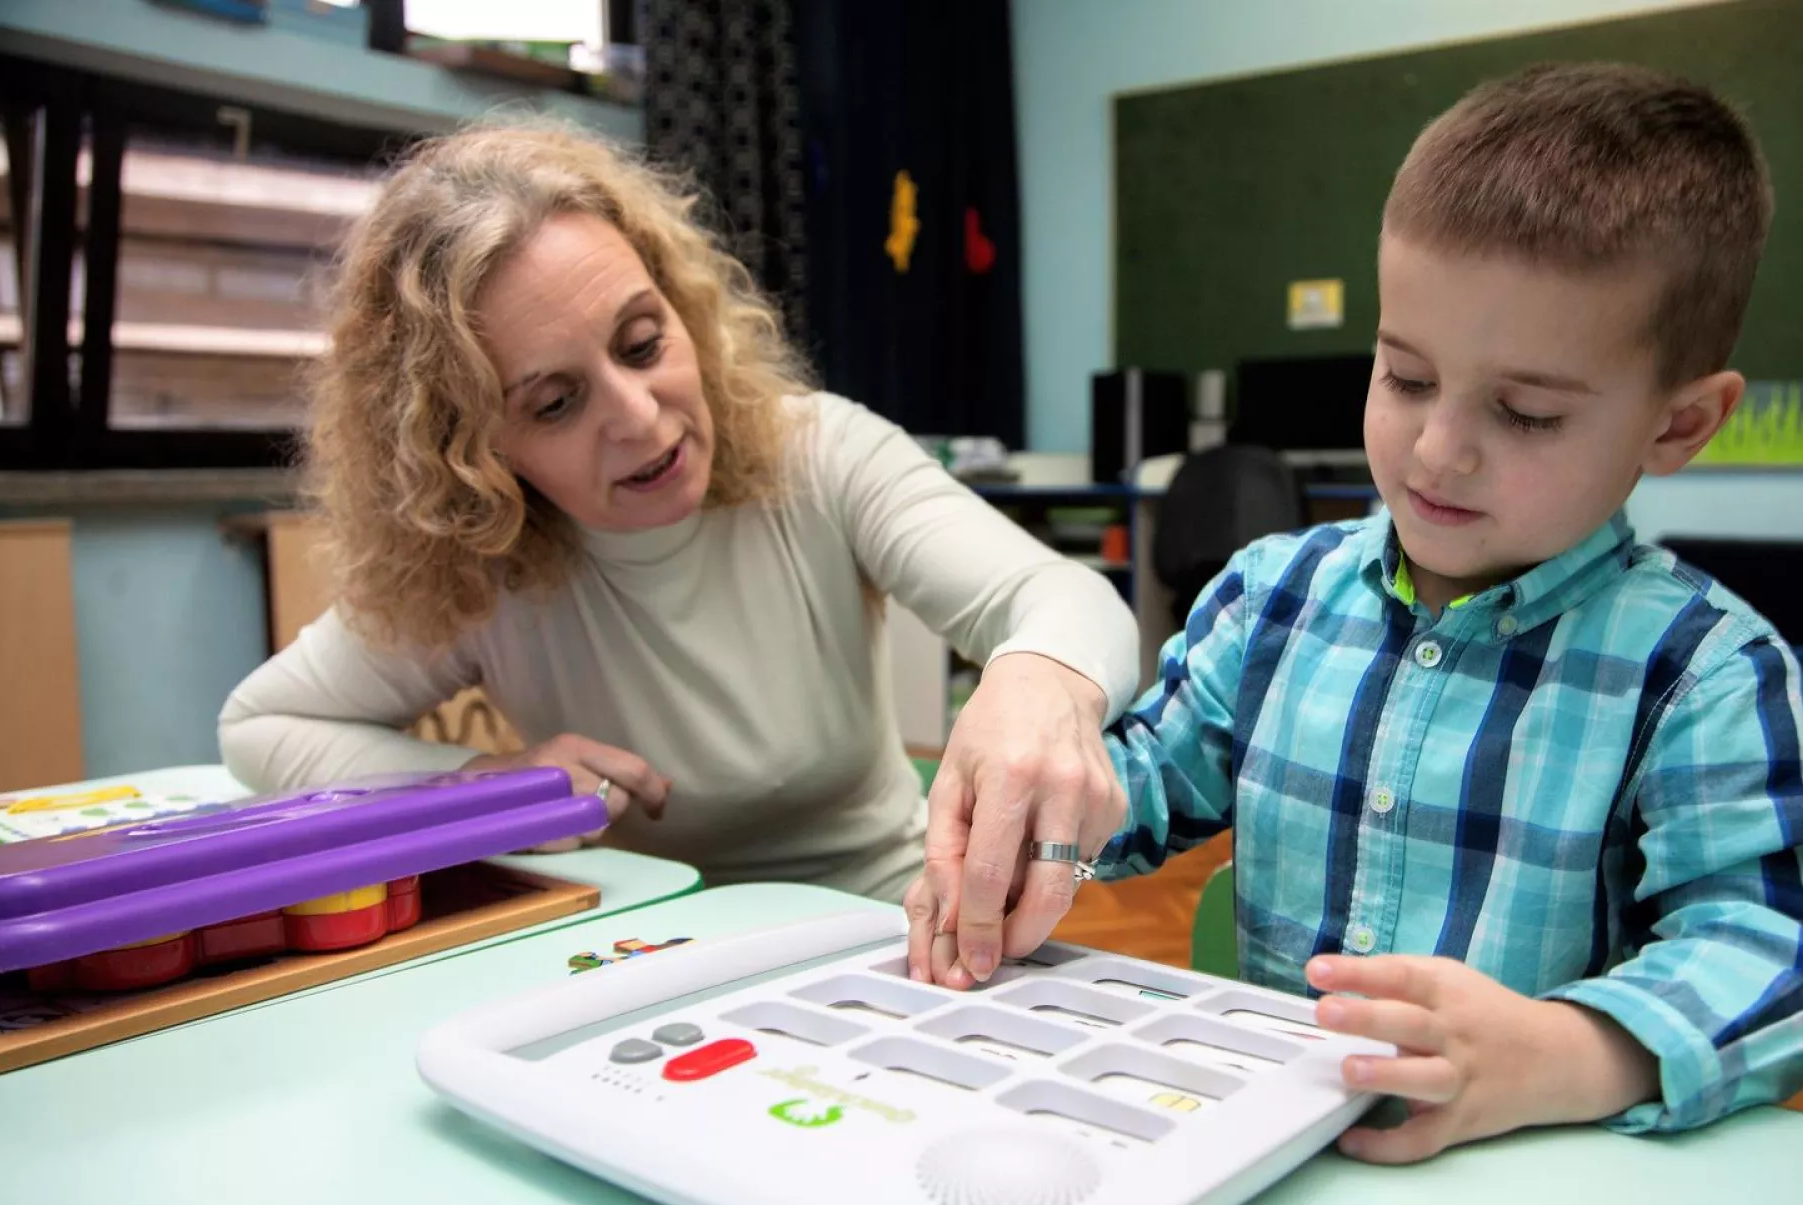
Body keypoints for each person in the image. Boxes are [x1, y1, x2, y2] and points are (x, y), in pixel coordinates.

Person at [906, 62, 1803, 1161]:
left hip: (1533, 1185)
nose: (1439, 447)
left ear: (1680, 425)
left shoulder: (1703, 673)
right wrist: (1045, 808)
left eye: (1527, 412)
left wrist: (1565, 1050)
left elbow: (1774, 957)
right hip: (1277, 1152)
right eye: (1405, 377)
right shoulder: (1275, 597)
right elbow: (1147, 780)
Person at [219, 122, 1133, 907]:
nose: (641, 417)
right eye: (554, 404)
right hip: (637, 946)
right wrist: (470, 788)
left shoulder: (819, 454)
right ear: (472, 450)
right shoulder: (480, 560)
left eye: (643, 343)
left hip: (885, 926)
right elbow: (261, 727)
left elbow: (1061, 597)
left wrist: (1038, 679)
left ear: (683, 308)